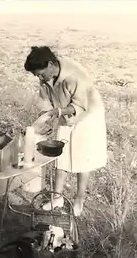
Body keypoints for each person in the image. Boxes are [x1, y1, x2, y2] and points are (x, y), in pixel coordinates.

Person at [24, 46, 107, 216]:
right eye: (37, 75)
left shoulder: (74, 75)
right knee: (60, 153)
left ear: (50, 64)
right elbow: (45, 99)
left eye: (40, 74)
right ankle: (58, 197)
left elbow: (79, 106)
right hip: (64, 111)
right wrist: (47, 115)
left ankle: (79, 198)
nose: (40, 78)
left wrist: (57, 112)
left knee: (82, 158)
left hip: (88, 114)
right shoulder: (46, 76)